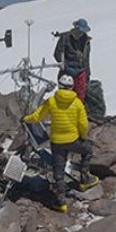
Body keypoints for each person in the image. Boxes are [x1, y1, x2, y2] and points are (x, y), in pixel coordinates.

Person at [23, 74, 98, 212]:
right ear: (72, 87)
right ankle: (84, 179)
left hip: (56, 142)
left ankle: (61, 202)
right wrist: (82, 137)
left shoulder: (52, 101)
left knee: (58, 169)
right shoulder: (77, 103)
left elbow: (38, 115)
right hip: (73, 140)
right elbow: (83, 123)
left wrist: (26, 119)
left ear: (59, 85)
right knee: (87, 151)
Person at [53, 18, 92, 101]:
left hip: (80, 71)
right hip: (66, 71)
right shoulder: (65, 38)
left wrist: (87, 73)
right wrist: (65, 65)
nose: (81, 33)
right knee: (64, 95)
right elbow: (57, 53)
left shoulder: (86, 41)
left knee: (80, 95)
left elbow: (86, 59)